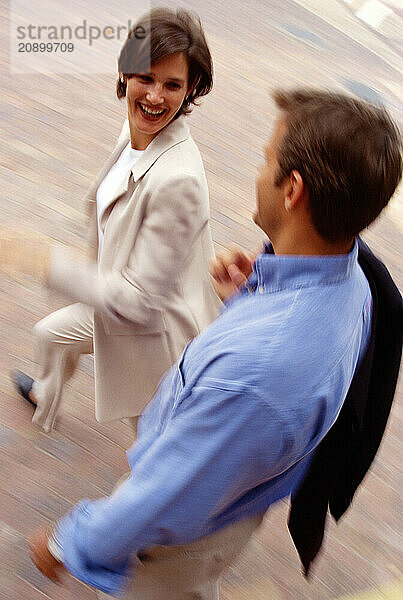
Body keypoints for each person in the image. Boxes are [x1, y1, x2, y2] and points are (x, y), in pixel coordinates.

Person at [25, 89, 403, 599]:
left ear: (293, 191)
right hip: (233, 504)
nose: (257, 172)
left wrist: (70, 542)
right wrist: (253, 295)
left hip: (188, 533)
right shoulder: (353, 280)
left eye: (264, 160)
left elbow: (163, 498)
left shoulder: (255, 374)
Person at [5, 8, 221, 435]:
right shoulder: (137, 132)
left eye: (172, 85)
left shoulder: (179, 180)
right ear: (125, 72)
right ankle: (45, 399)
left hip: (157, 339)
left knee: (150, 452)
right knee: (50, 334)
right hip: (118, 298)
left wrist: (42, 261)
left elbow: (140, 303)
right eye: (146, 78)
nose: (156, 97)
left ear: (191, 87)